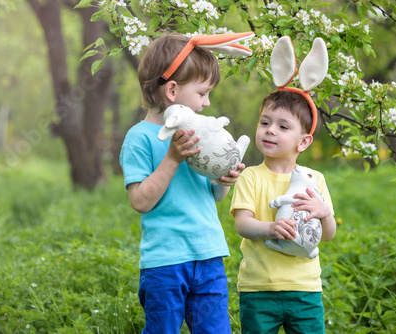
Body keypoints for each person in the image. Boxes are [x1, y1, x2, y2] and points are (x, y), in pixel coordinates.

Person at [119, 32, 251, 333]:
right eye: (203, 93)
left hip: (208, 255)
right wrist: (172, 158)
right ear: (173, 91)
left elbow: (213, 195)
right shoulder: (139, 139)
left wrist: (224, 181)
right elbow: (140, 201)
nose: (207, 103)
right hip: (165, 261)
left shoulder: (201, 133)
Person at [230, 89, 337, 334]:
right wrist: (270, 228)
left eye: (283, 127)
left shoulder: (314, 179)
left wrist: (325, 213)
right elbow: (242, 224)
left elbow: (328, 235)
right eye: (265, 122)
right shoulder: (251, 176)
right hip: (258, 289)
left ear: (303, 141)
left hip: (305, 288)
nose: (270, 130)